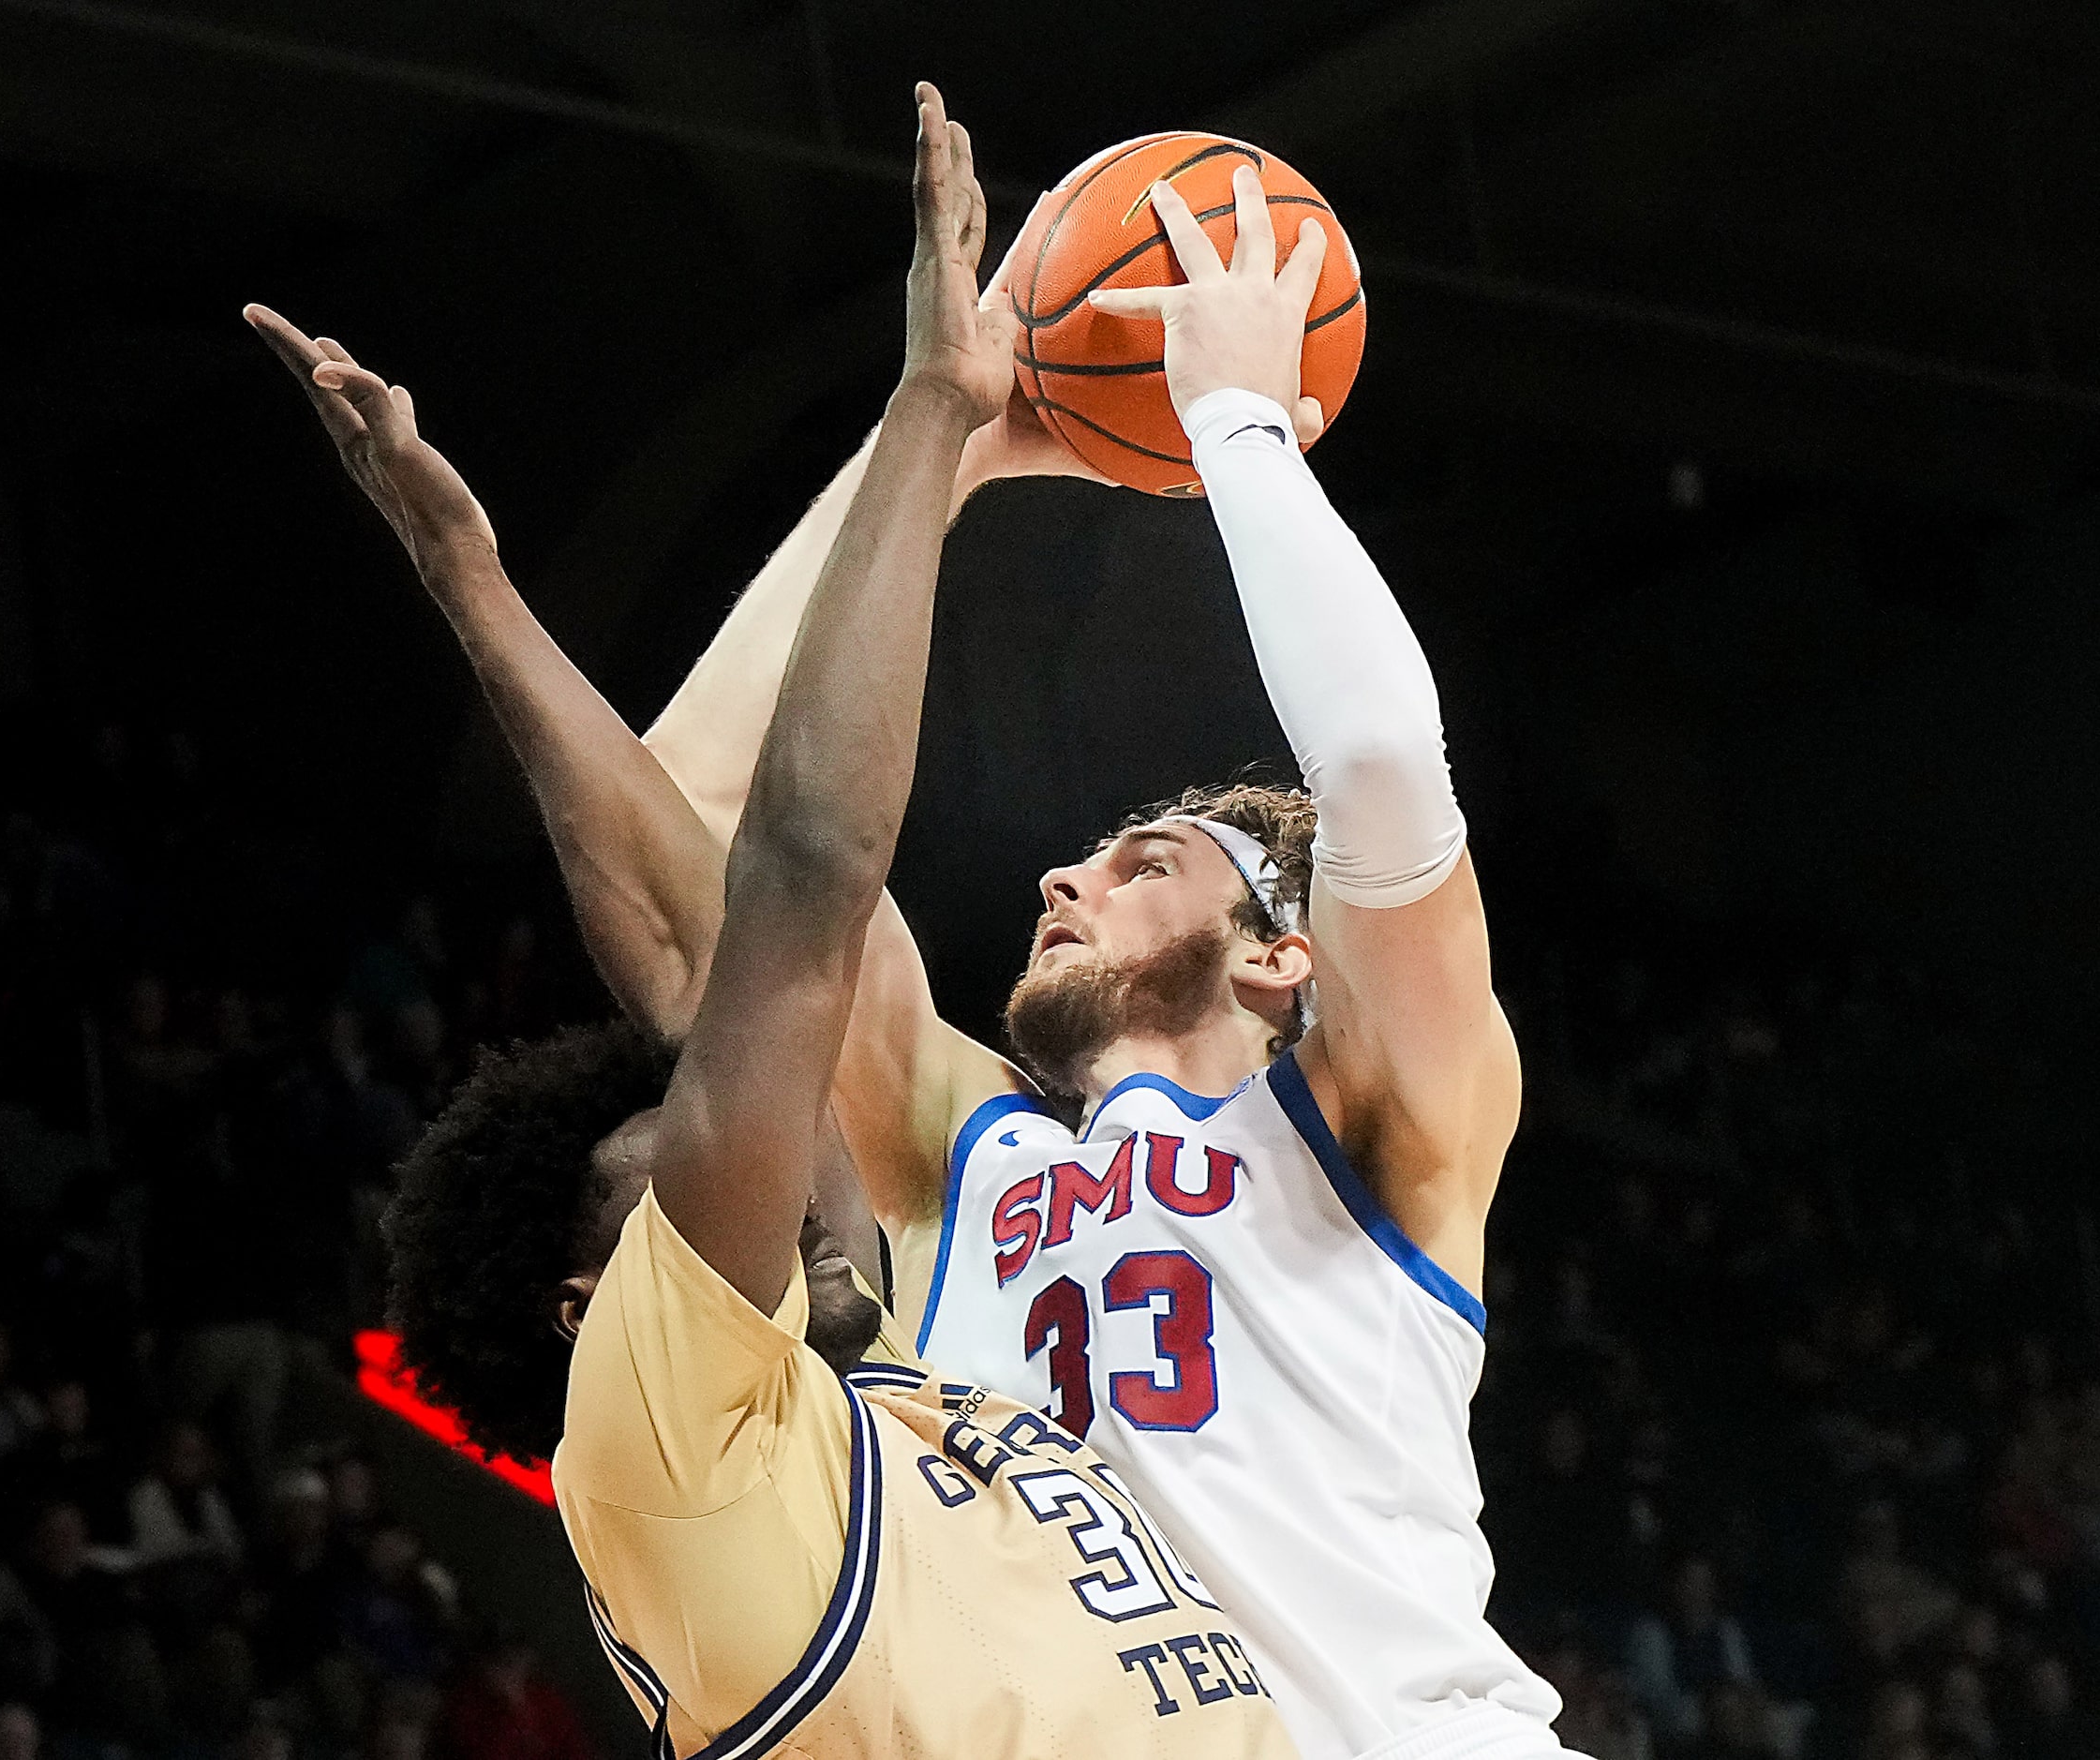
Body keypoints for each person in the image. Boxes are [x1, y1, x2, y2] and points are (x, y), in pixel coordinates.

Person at [312, 142, 1557, 1760]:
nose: (1066, 869)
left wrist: (1237, 420)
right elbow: (709, 828)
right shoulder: (944, 1163)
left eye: (1148, 860)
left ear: (1279, 960)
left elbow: (1382, 759)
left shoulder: (1384, 1127)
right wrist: (953, 442)